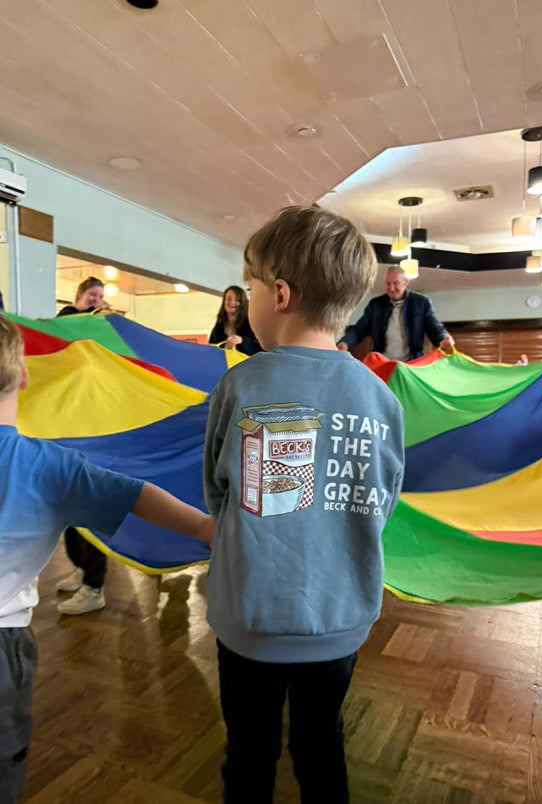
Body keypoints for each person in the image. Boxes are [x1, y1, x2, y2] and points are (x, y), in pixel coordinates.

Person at [203, 205, 405, 803]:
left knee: (249, 754)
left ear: (280, 294)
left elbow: (218, 492)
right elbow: (381, 500)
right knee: (322, 749)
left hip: (250, 618)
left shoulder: (241, 383)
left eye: (252, 285)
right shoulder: (379, 396)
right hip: (340, 620)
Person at [0, 313, 213, 804]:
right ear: (26, 376)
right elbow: (136, 493)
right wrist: (203, 525)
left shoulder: (49, 466)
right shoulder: (49, 466)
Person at [55, 277, 112, 614]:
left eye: (101, 297)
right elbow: (63, 327)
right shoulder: (66, 321)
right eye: (92, 295)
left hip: (94, 431)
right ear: (78, 297)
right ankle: (81, 568)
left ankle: (94, 585)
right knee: (68, 510)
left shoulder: (101, 332)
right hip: (68, 429)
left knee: (89, 508)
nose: (97, 301)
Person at [336, 264, 454, 360]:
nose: (391, 288)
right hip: (383, 362)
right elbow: (359, 329)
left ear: (405, 283)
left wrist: (443, 337)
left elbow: (434, 326)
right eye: (388, 283)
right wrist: (345, 342)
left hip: (412, 363)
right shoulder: (376, 304)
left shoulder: (421, 302)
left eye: (395, 283)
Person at [208, 285, 261, 356]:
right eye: (229, 299)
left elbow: (261, 349)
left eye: (237, 300)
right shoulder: (219, 327)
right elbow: (211, 349)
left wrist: (242, 340)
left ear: (243, 303)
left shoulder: (251, 324)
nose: (232, 302)